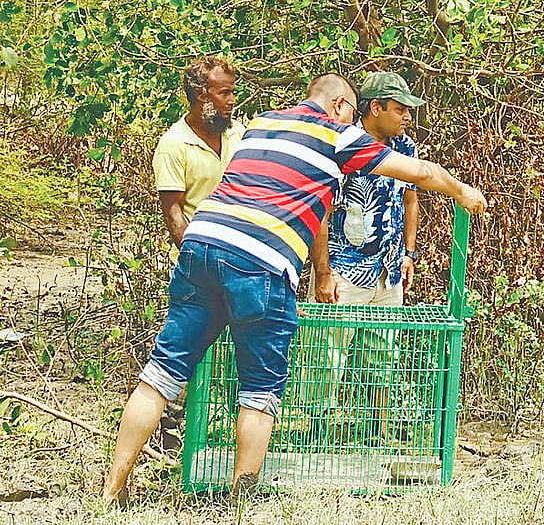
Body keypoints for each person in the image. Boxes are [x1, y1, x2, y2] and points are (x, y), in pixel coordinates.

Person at [100, 73, 487, 505]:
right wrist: (463, 191)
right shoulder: (339, 136)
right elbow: (420, 171)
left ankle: (111, 491)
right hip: (260, 261)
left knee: (160, 376)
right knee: (259, 392)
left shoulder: (261, 123)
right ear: (341, 105)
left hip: (201, 244)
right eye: (352, 112)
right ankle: (240, 503)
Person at [310, 71, 426, 306]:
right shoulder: (342, 143)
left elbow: (410, 201)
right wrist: (323, 275)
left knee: (383, 344)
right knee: (326, 344)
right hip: (343, 273)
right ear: (375, 108)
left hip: (389, 276)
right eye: (400, 110)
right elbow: (320, 213)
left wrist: (409, 255)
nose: (407, 117)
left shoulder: (405, 147)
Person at [152, 57, 244, 258]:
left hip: (239, 257)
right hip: (199, 261)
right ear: (201, 95)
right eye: (224, 93)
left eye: (233, 92)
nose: (232, 100)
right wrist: (195, 260)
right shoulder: (174, 144)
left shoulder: (238, 133)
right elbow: (173, 212)